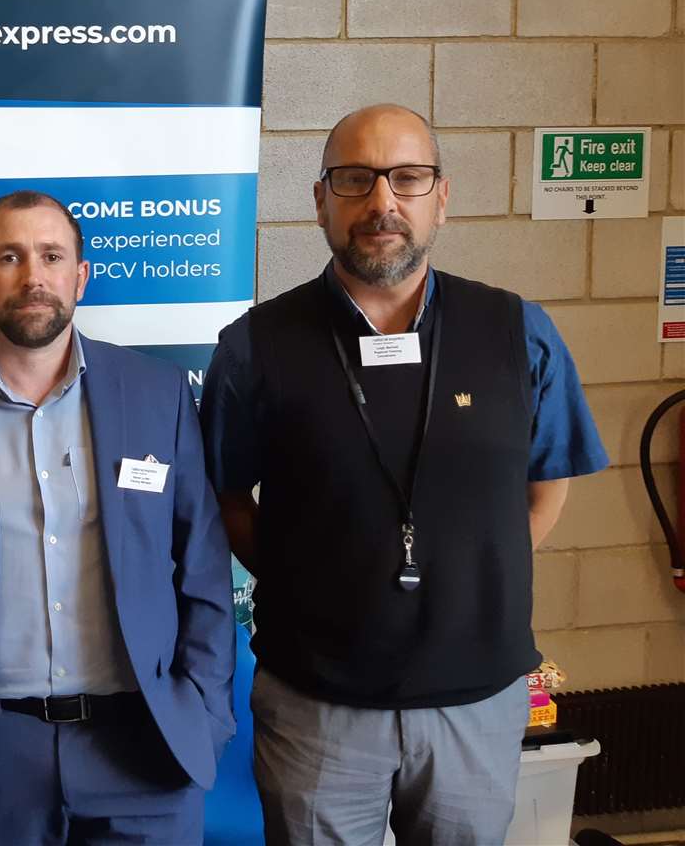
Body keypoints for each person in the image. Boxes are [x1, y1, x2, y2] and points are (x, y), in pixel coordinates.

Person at [200, 104, 609, 845]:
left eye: (407, 178)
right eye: (355, 180)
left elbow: (549, 480)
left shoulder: (519, 332)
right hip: (315, 706)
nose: (382, 202)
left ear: (440, 199)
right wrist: (306, 580)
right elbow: (226, 497)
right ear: (321, 201)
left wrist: (475, 575)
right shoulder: (256, 346)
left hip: (476, 705)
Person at [0, 190, 235, 845]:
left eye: (51, 256)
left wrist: (205, 710)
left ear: (80, 276)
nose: (33, 275)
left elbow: (204, 566)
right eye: (9, 257)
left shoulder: (157, 393)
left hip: (147, 748)